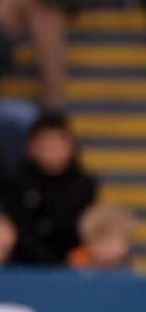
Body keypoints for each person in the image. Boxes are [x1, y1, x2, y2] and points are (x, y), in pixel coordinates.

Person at [3, 112, 97, 265]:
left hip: (73, 263)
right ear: (32, 148)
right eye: (47, 146)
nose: (53, 152)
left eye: (59, 145)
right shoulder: (17, 183)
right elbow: (21, 226)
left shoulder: (84, 185)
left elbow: (83, 228)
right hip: (21, 262)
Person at [66, 204, 134, 271]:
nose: (105, 249)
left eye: (110, 243)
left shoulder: (130, 268)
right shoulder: (80, 263)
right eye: (99, 243)